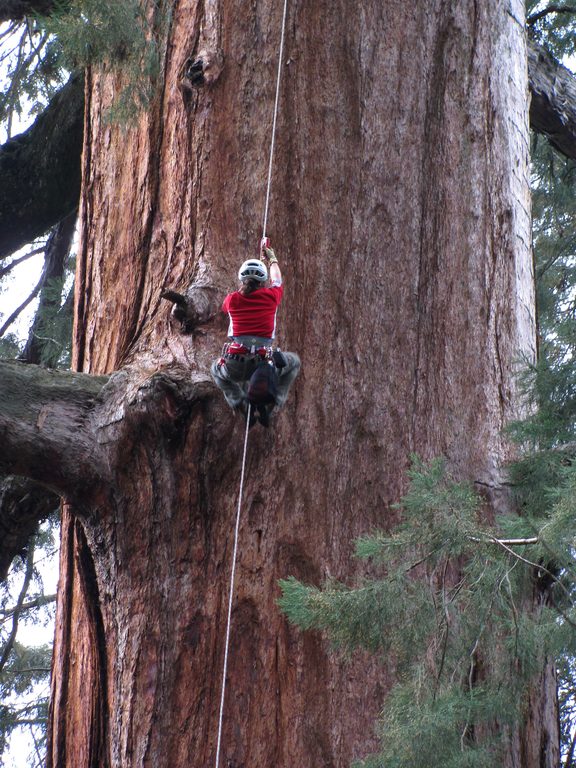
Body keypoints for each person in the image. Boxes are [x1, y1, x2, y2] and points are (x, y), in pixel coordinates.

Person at [210, 242, 300, 427]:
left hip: (235, 364)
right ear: (263, 281)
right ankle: (274, 401)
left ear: (242, 280)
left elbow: (224, 308)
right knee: (293, 362)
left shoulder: (232, 299)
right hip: (263, 364)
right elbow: (277, 280)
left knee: (216, 371)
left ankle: (239, 401)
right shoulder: (271, 296)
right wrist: (272, 259)